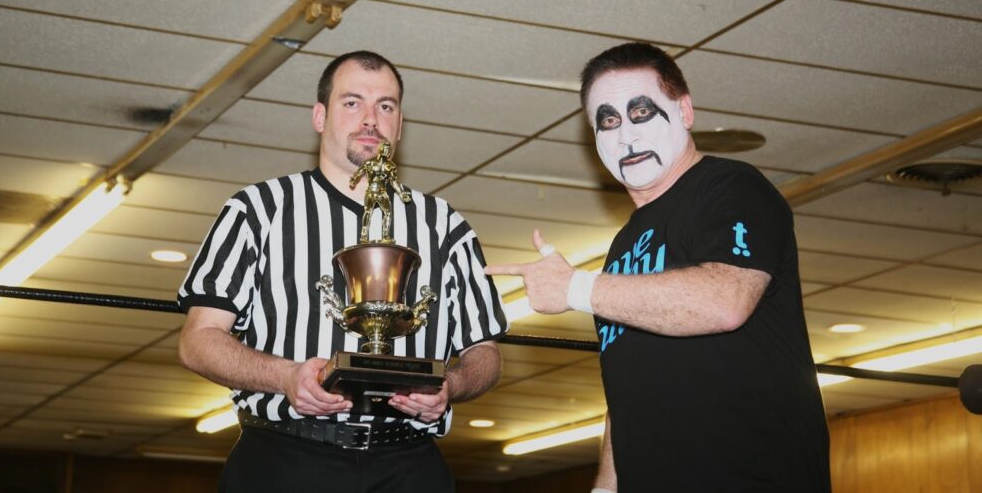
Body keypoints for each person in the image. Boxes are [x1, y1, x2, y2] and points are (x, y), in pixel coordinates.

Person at [486, 43, 830, 492]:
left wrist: (575, 289)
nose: (625, 136)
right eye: (608, 120)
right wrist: (606, 488)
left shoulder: (731, 187)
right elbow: (628, 390)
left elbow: (725, 301)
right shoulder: (623, 245)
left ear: (684, 110)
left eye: (642, 112)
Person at [178, 50, 508, 492]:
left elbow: (485, 353)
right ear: (320, 116)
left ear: (400, 123)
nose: (370, 119)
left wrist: (452, 383)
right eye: (352, 102)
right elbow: (198, 341)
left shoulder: (445, 224)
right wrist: (285, 376)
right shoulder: (259, 209)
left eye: (385, 106)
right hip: (285, 458)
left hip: (408, 463)